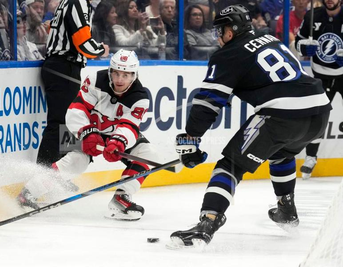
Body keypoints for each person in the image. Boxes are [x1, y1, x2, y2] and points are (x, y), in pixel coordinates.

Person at [169, 5, 331, 248]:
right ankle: (287, 209)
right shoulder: (268, 38)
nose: (218, 36)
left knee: (229, 165)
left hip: (283, 115)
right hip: (319, 111)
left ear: (232, 31)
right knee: (281, 152)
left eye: (220, 30)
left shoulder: (228, 54)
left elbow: (208, 102)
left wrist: (190, 138)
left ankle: (207, 222)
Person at [19, 49, 157, 221]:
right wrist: (87, 133)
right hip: (82, 129)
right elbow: (75, 110)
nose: (120, 79)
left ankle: (122, 197)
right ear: (110, 71)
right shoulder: (95, 80)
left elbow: (129, 125)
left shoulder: (140, 97)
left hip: (114, 134)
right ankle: (29, 192)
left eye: (126, 75)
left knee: (147, 153)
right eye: (116, 73)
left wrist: (118, 143)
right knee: (77, 162)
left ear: (134, 75)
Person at [36, 0, 109, 167]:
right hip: (63, 67)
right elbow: (82, 42)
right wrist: (100, 49)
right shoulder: (78, 3)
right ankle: (40, 177)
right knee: (60, 123)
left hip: (65, 67)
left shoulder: (73, 3)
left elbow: (59, 31)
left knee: (68, 123)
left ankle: (60, 174)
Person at [295, 0, 343, 179]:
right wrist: (304, 47)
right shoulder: (312, 15)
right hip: (320, 75)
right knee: (316, 117)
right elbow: (298, 41)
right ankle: (311, 157)